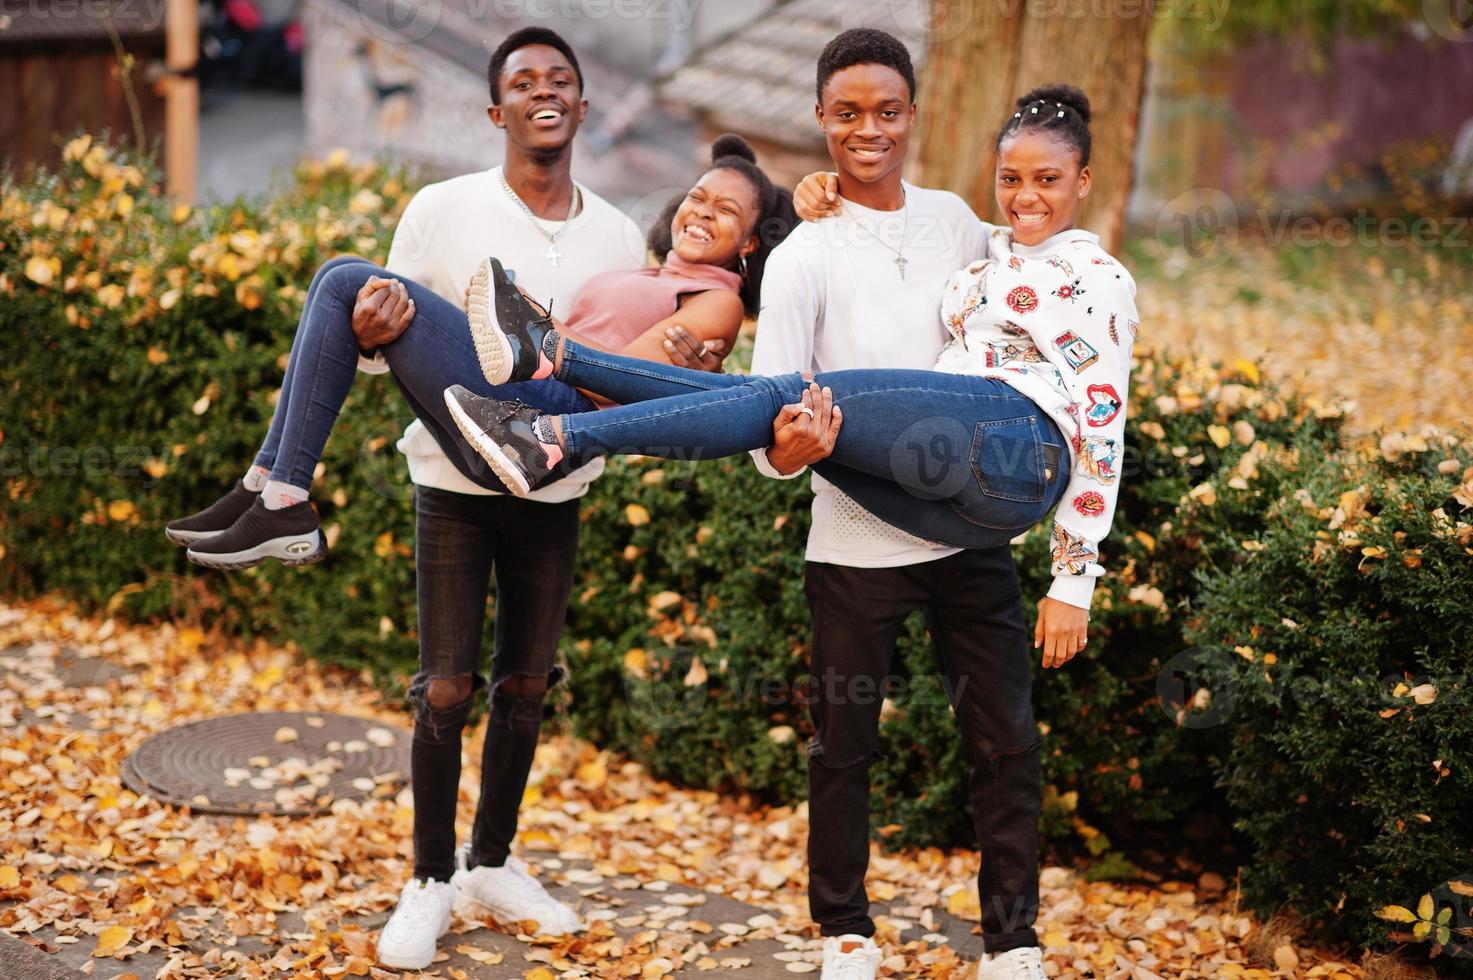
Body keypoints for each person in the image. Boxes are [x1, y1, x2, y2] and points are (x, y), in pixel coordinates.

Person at [445, 61, 1136, 980]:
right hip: (868, 520)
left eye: (886, 112)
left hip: (991, 476)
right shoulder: (946, 249)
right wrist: (793, 442)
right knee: (839, 741)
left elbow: (1103, 423)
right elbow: (769, 442)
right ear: (818, 119)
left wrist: (1073, 575)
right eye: (1012, 178)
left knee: (1002, 739)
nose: (1025, 196)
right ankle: (843, 933)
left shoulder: (1064, 262)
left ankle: (1012, 944)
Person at [162, 28, 790, 972]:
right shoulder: (443, 208)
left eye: (562, 80)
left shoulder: (624, 238)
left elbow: (659, 384)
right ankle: (429, 879)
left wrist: (706, 325)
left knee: (526, 686)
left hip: (551, 460)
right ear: (495, 111)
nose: (545, 92)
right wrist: (376, 335)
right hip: (458, 460)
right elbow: (383, 352)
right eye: (523, 83)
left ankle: (489, 862)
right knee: (445, 687)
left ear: (583, 106)